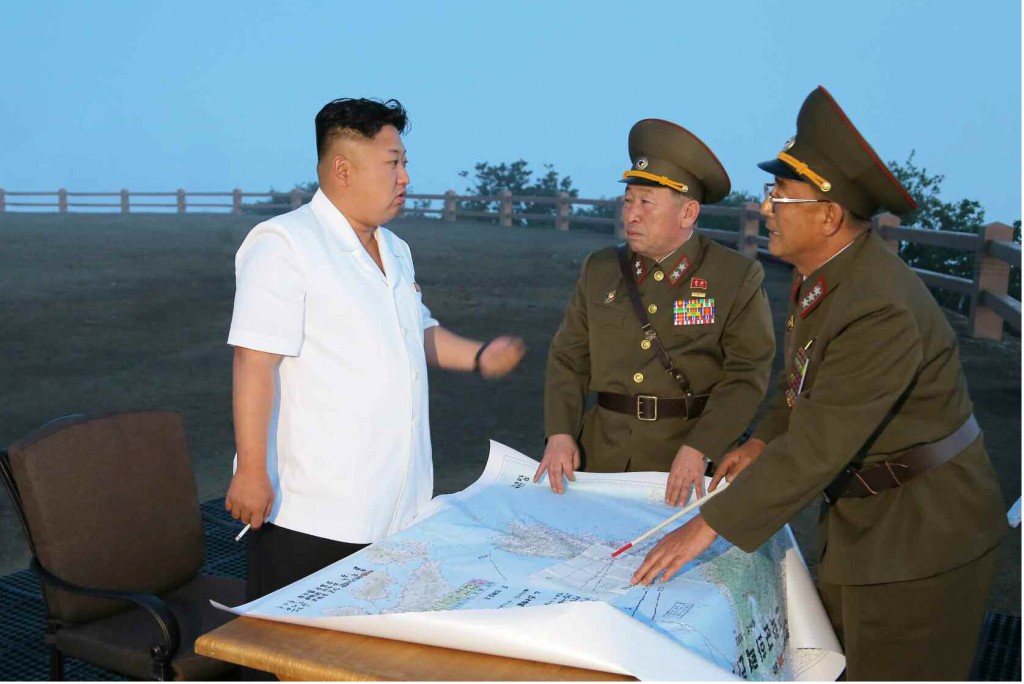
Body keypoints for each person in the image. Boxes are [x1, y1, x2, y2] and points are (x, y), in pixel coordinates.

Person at [631, 86, 1008, 680]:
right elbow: (804, 389)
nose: (768, 207)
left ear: (829, 215)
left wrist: (707, 527)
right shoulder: (827, 278)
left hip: (921, 539)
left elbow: (819, 444)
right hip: (867, 523)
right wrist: (760, 441)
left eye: (781, 195)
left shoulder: (877, 305)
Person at [225, 98, 525, 600]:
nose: (405, 176)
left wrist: (478, 356)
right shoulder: (285, 244)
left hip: (399, 510)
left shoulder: (395, 249)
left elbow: (417, 330)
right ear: (343, 168)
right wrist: (252, 471)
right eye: (393, 162)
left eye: (404, 161)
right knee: (298, 668)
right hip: (313, 515)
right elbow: (254, 361)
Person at [536, 119, 775, 506]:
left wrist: (702, 447)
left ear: (688, 213)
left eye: (646, 202)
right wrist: (560, 433)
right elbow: (569, 357)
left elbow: (747, 375)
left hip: (685, 462)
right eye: (628, 200)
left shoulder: (734, 276)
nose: (631, 214)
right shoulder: (600, 269)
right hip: (600, 459)